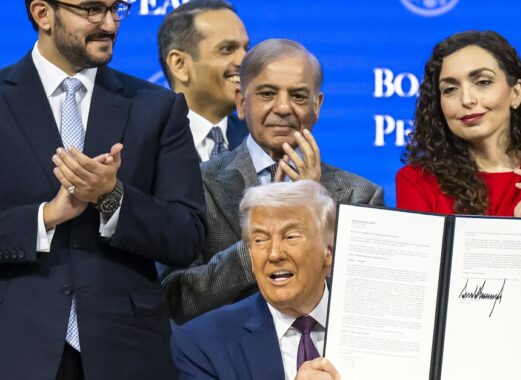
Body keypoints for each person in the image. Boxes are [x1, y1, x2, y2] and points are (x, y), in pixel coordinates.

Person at [0, 1, 206, 379]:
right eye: (93, 9)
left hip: (127, 354)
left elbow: (187, 236)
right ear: (44, 14)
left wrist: (111, 197)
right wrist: (45, 217)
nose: (110, 24)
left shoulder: (158, 108)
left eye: (117, 8)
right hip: (14, 348)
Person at [396, 30, 521, 380]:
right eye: (450, 89)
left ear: (517, 93)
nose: (467, 99)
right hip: (452, 366)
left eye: (482, 82)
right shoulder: (418, 181)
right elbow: (423, 297)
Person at [161, 38, 384, 324]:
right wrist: (259, 244)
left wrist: (315, 209)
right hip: (228, 360)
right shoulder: (196, 184)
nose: (282, 107)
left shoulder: (360, 196)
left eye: (299, 96)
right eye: (267, 94)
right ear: (241, 102)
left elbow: (370, 301)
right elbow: (175, 298)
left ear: (317, 106)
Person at [171, 180, 340, 380]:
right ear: (251, 256)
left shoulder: (378, 324)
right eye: (260, 240)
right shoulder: (201, 343)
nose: (274, 254)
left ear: (328, 251)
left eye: (291, 237)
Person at [157, 0, 249, 161]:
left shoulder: (259, 140)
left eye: (245, 49)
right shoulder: (142, 143)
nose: (246, 60)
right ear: (180, 64)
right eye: (227, 49)